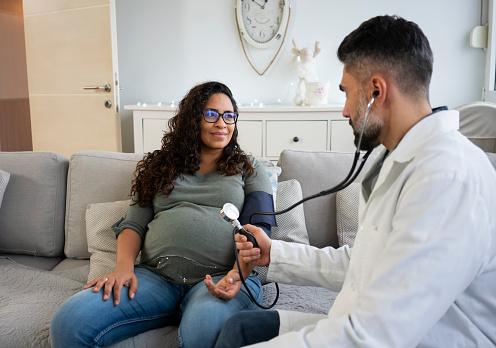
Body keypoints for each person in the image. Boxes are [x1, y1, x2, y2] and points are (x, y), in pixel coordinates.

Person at [214, 15, 496, 347]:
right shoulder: (396, 159)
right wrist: (274, 253)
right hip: (357, 322)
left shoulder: (448, 178)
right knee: (241, 329)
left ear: (377, 90)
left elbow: (375, 336)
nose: (345, 111)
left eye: (347, 93)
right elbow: (359, 262)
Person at [50, 81, 276, 348]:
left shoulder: (248, 168)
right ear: (193, 119)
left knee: (202, 333)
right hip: (156, 278)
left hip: (221, 277)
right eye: (211, 114)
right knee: (68, 322)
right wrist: (122, 269)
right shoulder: (161, 166)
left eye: (229, 116)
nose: (222, 123)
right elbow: (133, 224)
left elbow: (259, 232)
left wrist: (237, 273)